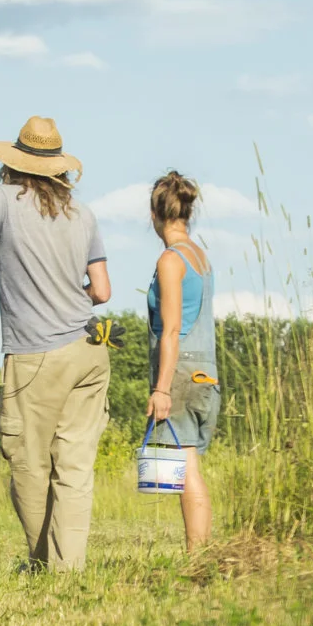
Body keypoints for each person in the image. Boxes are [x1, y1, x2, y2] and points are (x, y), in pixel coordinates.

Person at [0, 117, 112, 571]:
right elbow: (102, 290)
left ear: (14, 161)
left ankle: (44, 563)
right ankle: (68, 572)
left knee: (29, 466)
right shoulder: (82, 212)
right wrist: (66, 296)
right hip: (89, 349)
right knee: (74, 469)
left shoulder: (3, 200)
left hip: (36, 354)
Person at [143, 171, 216, 551]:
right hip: (206, 371)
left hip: (182, 371)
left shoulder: (171, 260)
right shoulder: (200, 257)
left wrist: (161, 389)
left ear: (154, 215)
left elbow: (171, 330)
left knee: (186, 470)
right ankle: (198, 552)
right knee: (189, 465)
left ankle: (197, 557)